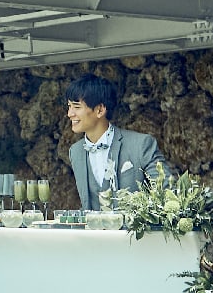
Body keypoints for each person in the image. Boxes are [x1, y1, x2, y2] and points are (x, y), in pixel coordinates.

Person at [64, 74, 169, 209]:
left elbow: (168, 194)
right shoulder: (75, 152)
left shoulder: (141, 145)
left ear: (100, 110)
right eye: (69, 106)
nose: (70, 114)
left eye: (77, 107)